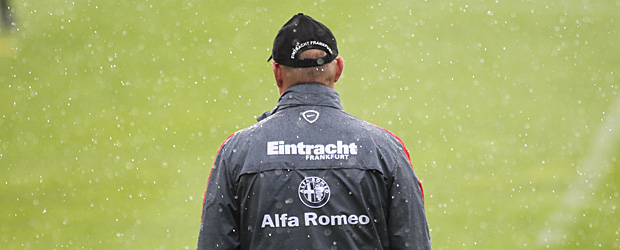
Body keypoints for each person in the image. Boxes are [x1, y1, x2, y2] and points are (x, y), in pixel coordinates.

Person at [197, 13, 431, 250]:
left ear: (277, 72)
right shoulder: (386, 149)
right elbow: (414, 242)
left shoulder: (238, 151)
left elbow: (214, 243)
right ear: (338, 68)